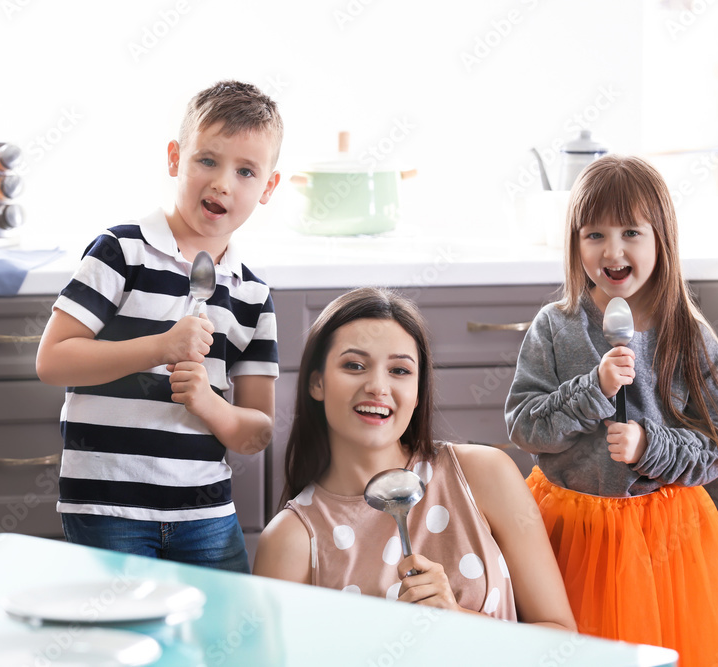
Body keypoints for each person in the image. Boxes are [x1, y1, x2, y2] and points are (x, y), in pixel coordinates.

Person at [505, 155, 718, 664]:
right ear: (575, 244)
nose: (612, 250)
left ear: (661, 240)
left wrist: (651, 445)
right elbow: (524, 424)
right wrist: (592, 390)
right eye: (593, 234)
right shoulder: (555, 326)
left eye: (630, 232)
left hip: (668, 538)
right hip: (568, 531)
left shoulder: (689, 335)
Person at [36, 80, 283, 573]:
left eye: (246, 171)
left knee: (225, 644)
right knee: (127, 647)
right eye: (207, 160)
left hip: (206, 513)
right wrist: (159, 346)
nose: (222, 184)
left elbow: (257, 431)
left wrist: (210, 404)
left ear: (268, 187)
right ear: (175, 159)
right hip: (108, 509)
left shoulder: (253, 295)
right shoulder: (120, 252)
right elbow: (54, 359)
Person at [253, 288, 576, 629]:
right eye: (354, 365)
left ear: (419, 390)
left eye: (400, 370)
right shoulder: (290, 540)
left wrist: (455, 620)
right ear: (316, 383)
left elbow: (561, 639)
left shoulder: (484, 475)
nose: (378, 386)